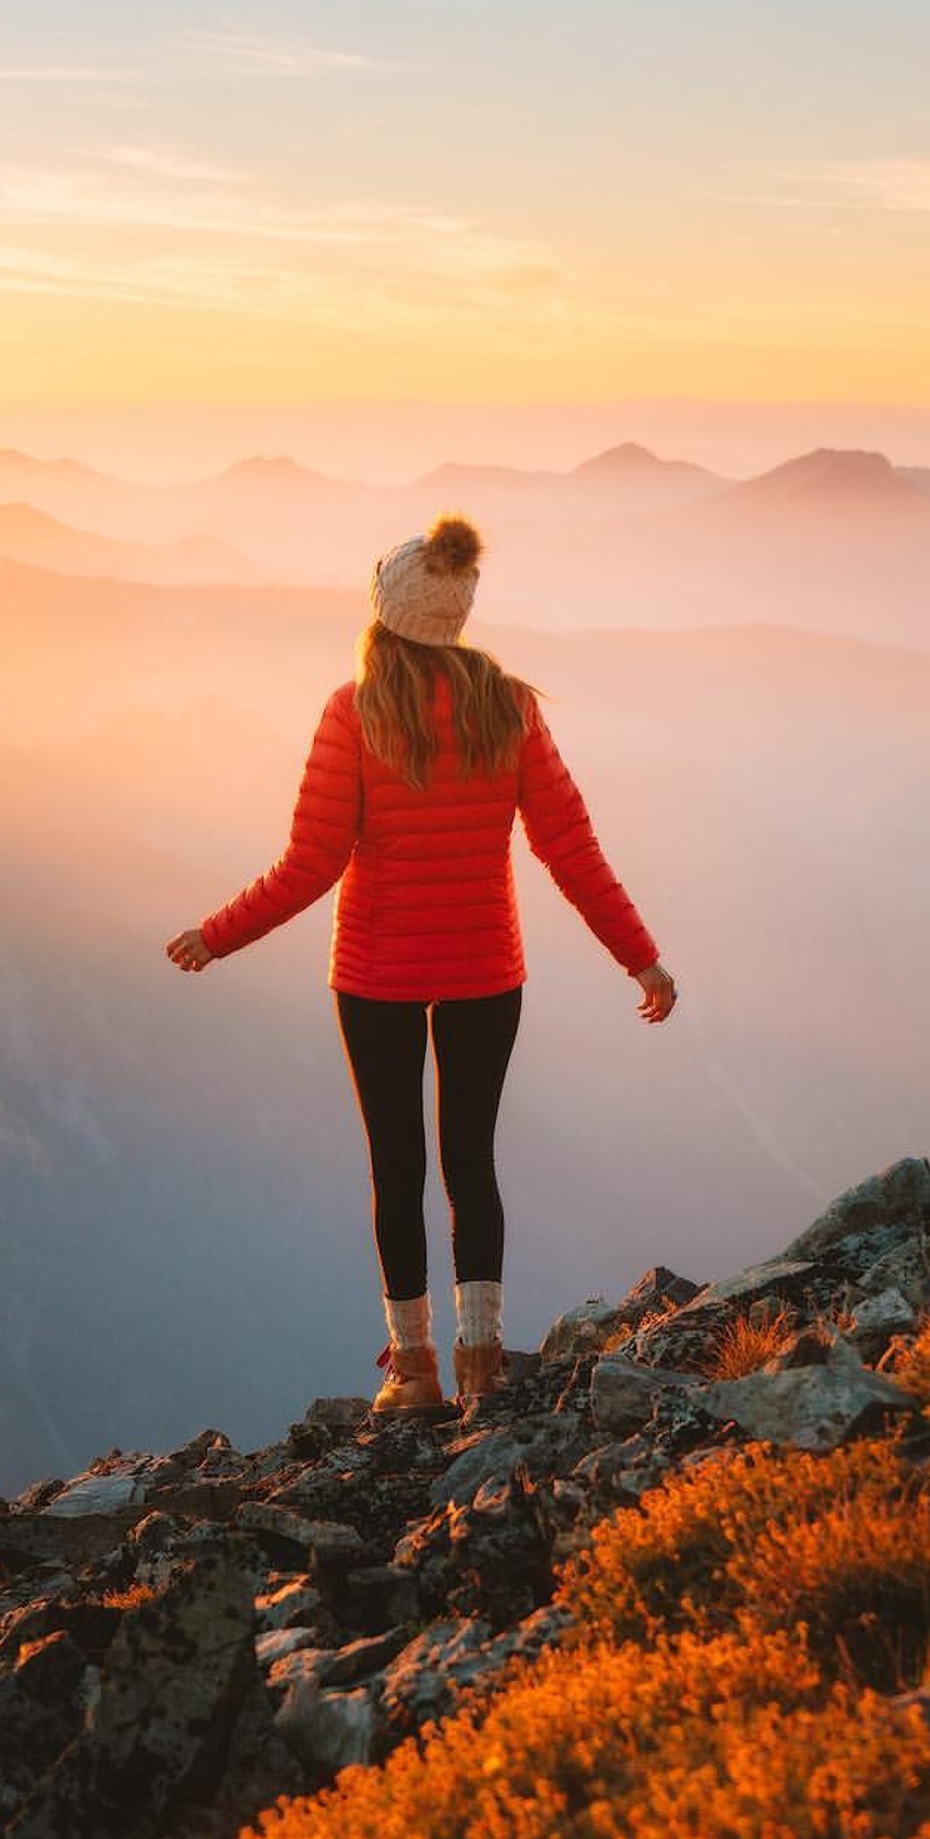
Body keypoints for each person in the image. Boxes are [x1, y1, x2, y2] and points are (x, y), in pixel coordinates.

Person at [166, 514, 676, 1418]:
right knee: (471, 1163)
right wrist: (641, 960)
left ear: (384, 613)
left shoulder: (353, 710)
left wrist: (218, 933)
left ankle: (415, 1372)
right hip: (487, 967)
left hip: (376, 975)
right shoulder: (509, 707)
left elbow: (312, 863)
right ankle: (484, 1366)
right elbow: (572, 849)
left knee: (395, 1170)